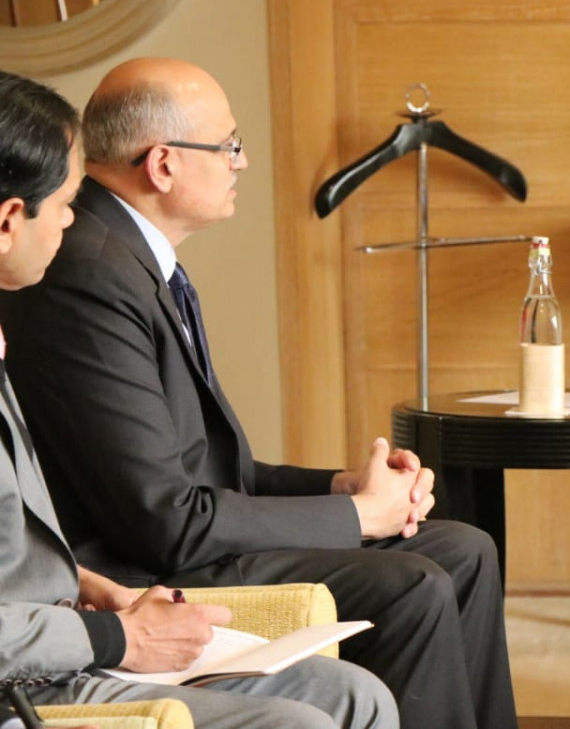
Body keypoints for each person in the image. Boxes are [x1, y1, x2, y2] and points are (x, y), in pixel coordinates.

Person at [0, 58, 516, 729]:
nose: (241, 163)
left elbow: (209, 467)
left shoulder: (132, 259)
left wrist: (341, 490)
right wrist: (360, 517)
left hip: (127, 563)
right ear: (162, 165)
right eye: (229, 146)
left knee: (464, 549)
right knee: (415, 583)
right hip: (140, 562)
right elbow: (165, 518)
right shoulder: (89, 271)